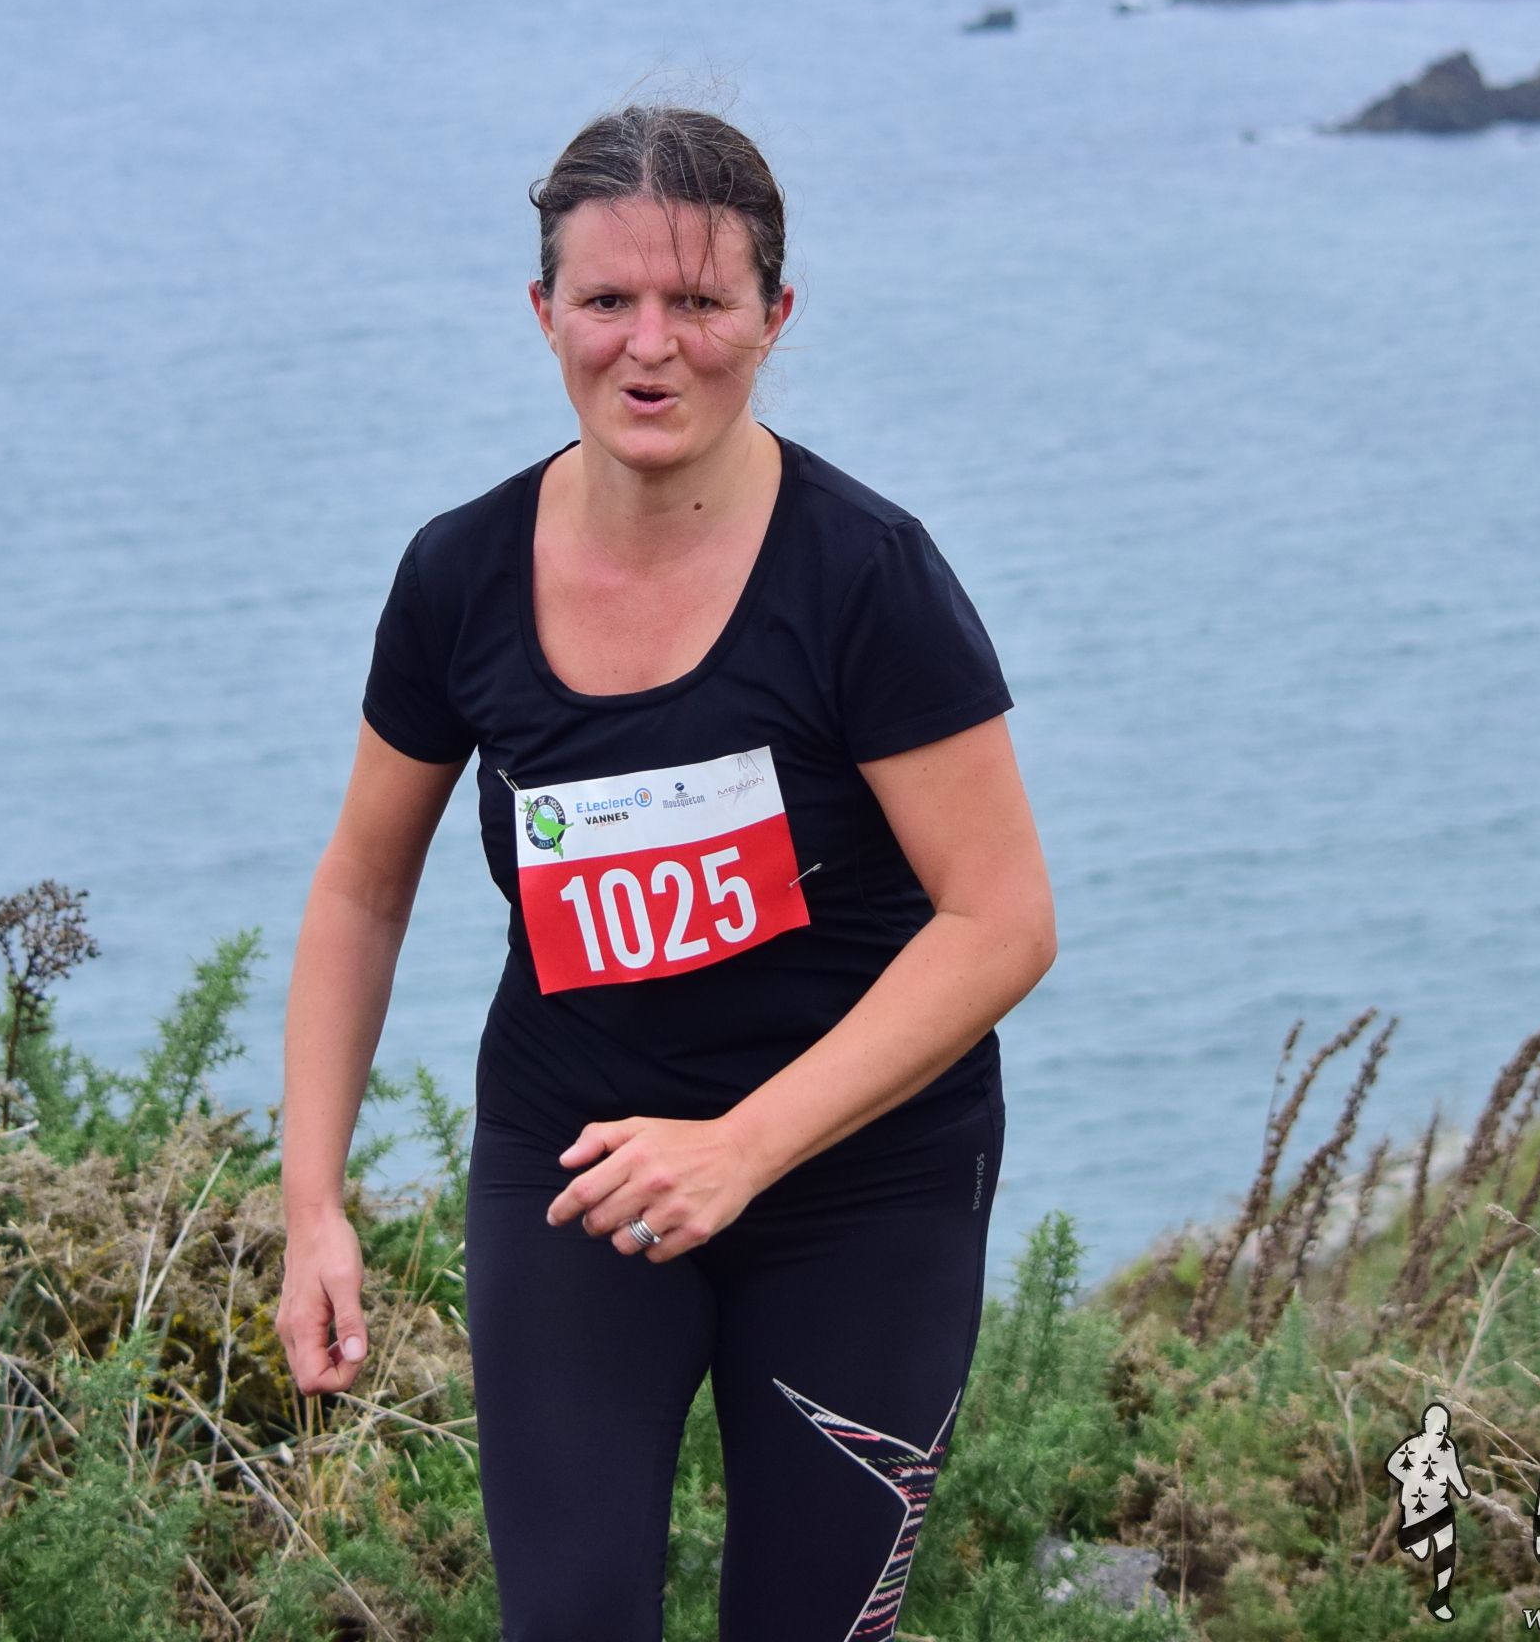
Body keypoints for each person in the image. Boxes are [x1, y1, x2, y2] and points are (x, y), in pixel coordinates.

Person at [275, 104, 1057, 1641]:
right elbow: (362, 888)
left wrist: (742, 1148)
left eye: (699, 300)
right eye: (607, 299)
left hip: (863, 1178)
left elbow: (1002, 921)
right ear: (542, 312)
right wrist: (314, 1205)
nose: (651, 347)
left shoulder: (866, 577)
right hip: (578, 1167)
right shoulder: (459, 576)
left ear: (775, 315)